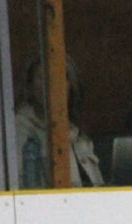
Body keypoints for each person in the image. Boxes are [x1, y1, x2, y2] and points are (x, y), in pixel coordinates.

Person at [15, 55, 104, 188]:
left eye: (63, 76)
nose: (53, 83)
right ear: (29, 86)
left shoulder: (77, 132)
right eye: (42, 77)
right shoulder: (20, 129)